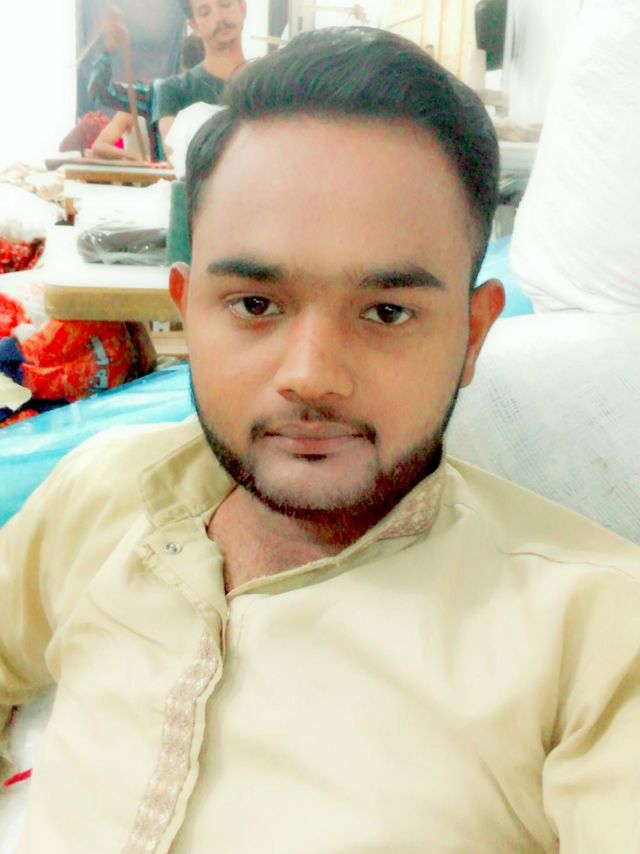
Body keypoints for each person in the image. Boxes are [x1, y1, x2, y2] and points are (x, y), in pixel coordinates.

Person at [1, 26, 639, 853]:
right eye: (255, 305)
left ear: (473, 334)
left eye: (386, 312)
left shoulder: (598, 640)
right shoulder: (100, 494)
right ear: (186, 312)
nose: (311, 376)